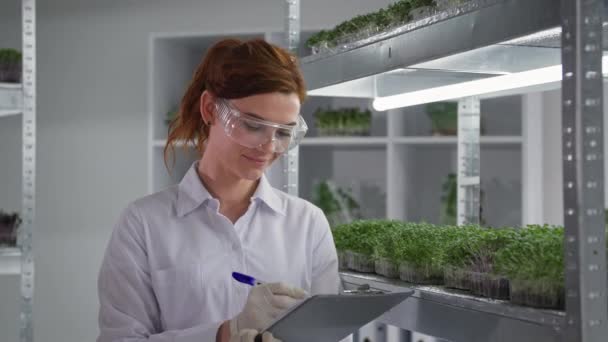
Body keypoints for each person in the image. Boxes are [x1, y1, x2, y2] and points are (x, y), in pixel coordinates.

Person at [97, 38, 342, 342]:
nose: (269, 146)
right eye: (253, 125)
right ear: (210, 109)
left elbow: (331, 336)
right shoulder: (144, 224)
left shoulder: (307, 223)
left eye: (283, 132)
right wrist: (224, 334)